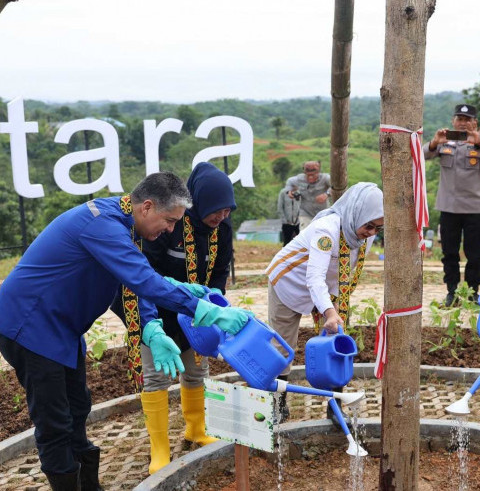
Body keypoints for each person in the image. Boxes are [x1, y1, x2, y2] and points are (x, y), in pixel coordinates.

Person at [0, 172, 251, 491]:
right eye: (170, 220)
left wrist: (151, 328)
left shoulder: (124, 224)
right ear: (147, 207)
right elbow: (145, 280)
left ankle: (89, 486)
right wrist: (202, 309)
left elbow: (131, 283)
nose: (171, 229)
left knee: (78, 407)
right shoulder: (101, 225)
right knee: (55, 423)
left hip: (62, 327)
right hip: (30, 326)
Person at [110, 163, 235, 474]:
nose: (220, 217)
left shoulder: (223, 230)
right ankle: (160, 447)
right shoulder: (170, 224)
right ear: (200, 201)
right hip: (156, 313)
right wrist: (151, 324)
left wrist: (214, 300)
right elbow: (143, 275)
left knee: (196, 371)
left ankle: (196, 428)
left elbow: (220, 270)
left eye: (227, 210)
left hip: (197, 313)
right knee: (156, 377)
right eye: (216, 210)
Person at [265, 182, 382, 427]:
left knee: (336, 340)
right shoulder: (326, 230)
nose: (372, 232)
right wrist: (328, 311)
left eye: (378, 228)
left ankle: (335, 405)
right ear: (356, 213)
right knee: (284, 345)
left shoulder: (363, 236)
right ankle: (277, 403)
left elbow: (347, 273)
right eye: (369, 225)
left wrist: (334, 310)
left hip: (326, 289)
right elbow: (314, 277)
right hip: (288, 281)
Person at [424, 104, 480, 306]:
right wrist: (434, 142)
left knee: (474, 254)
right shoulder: (444, 140)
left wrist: (479, 143)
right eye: (459, 118)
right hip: (448, 208)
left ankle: (472, 291)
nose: (463, 122)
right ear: (453, 121)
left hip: (474, 209)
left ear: (474, 122)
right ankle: (452, 291)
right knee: (449, 253)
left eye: (468, 119)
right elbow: (423, 154)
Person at [283, 160, 332, 230]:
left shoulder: (325, 178)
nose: (310, 177)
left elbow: (335, 186)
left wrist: (327, 194)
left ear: (318, 172)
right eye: (308, 175)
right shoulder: (299, 179)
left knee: (323, 232)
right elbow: (289, 182)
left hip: (322, 212)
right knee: (305, 232)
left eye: (313, 174)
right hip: (305, 212)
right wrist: (289, 192)